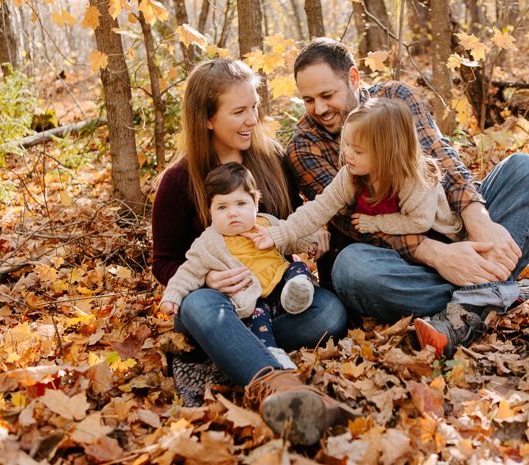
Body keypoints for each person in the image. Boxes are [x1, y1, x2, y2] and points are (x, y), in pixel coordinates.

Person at [286, 38, 529, 360]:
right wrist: (438, 256)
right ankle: (516, 293)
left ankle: (467, 310)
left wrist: (479, 222)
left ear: (353, 78)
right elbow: (357, 224)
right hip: (400, 260)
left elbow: (442, 160)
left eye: (327, 95)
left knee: (527, 168)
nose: (319, 109)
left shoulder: (396, 98)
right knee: (351, 268)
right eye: (308, 100)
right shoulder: (305, 146)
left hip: (450, 224)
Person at [152, 59, 355, 445]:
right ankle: (278, 387)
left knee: (330, 312)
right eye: (239, 111)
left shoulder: (271, 158)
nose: (252, 119)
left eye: (255, 107)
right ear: (208, 119)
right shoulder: (179, 181)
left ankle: (228, 356)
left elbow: (296, 220)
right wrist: (209, 278)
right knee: (198, 306)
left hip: (274, 300)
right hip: (220, 306)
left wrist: (315, 235)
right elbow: (164, 261)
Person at [247, 97, 464, 252]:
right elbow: (319, 208)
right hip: (400, 253)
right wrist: (278, 234)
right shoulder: (351, 175)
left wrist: (374, 222)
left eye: (358, 150)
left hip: (442, 240)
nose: (347, 153)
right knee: (352, 263)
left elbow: (421, 223)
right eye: (347, 144)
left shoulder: (415, 178)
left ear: (388, 155)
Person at [160, 162, 320, 370]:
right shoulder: (208, 243)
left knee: (298, 270)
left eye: (240, 204)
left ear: (255, 203)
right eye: (222, 207)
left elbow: (291, 237)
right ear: (210, 211)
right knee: (257, 321)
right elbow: (187, 272)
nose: (232, 213)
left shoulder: (267, 223)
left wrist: (310, 242)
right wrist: (172, 296)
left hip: (284, 289)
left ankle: (299, 291)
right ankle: (271, 355)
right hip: (254, 300)